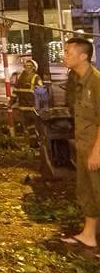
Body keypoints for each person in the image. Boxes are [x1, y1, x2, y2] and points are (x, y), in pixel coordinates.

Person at [59, 37, 100, 250]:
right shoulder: (77, 81)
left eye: (68, 52)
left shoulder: (96, 82)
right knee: (87, 192)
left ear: (83, 56)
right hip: (84, 147)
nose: (64, 56)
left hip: (96, 149)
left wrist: (96, 152)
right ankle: (88, 235)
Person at [10, 59, 42, 134]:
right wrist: (11, 102)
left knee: (32, 128)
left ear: (34, 68)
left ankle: (33, 144)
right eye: (26, 66)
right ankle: (29, 143)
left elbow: (41, 94)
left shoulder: (36, 78)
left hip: (32, 109)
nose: (28, 68)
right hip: (22, 108)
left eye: (30, 66)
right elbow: (16, 91)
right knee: (24, 128)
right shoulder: (20, 78)